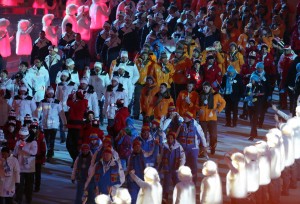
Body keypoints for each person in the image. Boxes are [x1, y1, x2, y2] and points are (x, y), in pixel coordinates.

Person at [37, 86, 67, 161]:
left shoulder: (57, 102)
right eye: (49, 93)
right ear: (47, 93)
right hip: (45, 124)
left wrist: (64, 123)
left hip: (54, 124)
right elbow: (38, 112)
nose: (50, 94)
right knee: (47, 139)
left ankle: (50, 153)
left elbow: (61, 113)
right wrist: (36, 120)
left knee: (52, 139)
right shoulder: (43, 102)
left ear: (53, 94)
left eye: (51, 93)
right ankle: (49, 151)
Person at [177, 111, 207, 184]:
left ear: (189, 118)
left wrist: (204, 146)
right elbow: (177, 136)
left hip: (193, 149)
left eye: (185, 117)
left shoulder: (196, 126)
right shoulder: (181, 125)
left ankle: (193, 182)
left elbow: (202, 135)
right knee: (184, 166)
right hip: (183, 149)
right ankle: (184, 181)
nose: (184, 118)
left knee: (193, 166)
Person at [198, 82, 226, 154]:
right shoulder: (200, 95)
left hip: (212, 118)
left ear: (210, 87)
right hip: (203, 118)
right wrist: (198, 109)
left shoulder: (216, 95)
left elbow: (223, 102)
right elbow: (196, 104)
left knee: (213, 135)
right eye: (203, 87)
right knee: (202, 136)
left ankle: (212, 147)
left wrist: (218, 109)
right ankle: (202, 150)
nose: (204, 89)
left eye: (206, 88)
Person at [14, 127, 37, 204]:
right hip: (20, 167)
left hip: (30, 168)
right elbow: (15, 153)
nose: (21, 136)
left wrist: (23, 148)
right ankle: (18, 199)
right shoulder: (18, 142)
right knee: (19, 185)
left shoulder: (33, 142)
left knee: (29, 186)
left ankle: (28, 199)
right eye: (20, 135)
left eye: (22, 135)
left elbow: (34, 152)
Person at [160, 131, 185, 202]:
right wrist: (160, 166)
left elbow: (183, 157)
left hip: (175, 168)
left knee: (176, 182)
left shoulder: (178, 146)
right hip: (167, 168)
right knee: (166, 183)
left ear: (174, 139)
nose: (170, 140)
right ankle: (165, 196)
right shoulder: (164, 146)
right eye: (169, 138)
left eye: (171, 138)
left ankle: (178, 196)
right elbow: (161, 156)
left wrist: (181, 166)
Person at [66, 90, 88, 165]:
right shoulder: (80, 102)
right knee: (70, 145)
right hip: (72, 126)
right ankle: (76, 159)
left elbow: (69, 103)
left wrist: (70, 96)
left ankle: (76, 160)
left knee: (73, 145)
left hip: (76, 127)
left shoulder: (81, 103)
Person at [127, 139, 145, 204]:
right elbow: (128, 169)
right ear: (133, 148)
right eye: (135, 147)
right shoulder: (130, 157)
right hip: (133, 181)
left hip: (142, 180)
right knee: (133, 198)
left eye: (138, 146)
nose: (137, 148)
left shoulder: (144, 156)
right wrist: (129, 179)